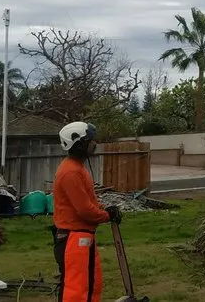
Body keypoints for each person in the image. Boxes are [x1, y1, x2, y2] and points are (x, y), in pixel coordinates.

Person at [52, 122, 121, 302]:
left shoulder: (77, 168)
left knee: (90, 286)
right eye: (91, 140)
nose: (95, 143)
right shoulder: (71, 172)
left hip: (80, 237)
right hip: (73, 239)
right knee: (76, 291)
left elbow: (87, 204)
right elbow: (85, 211)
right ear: (79, 145)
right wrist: (107, 215)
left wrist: (104, 210)